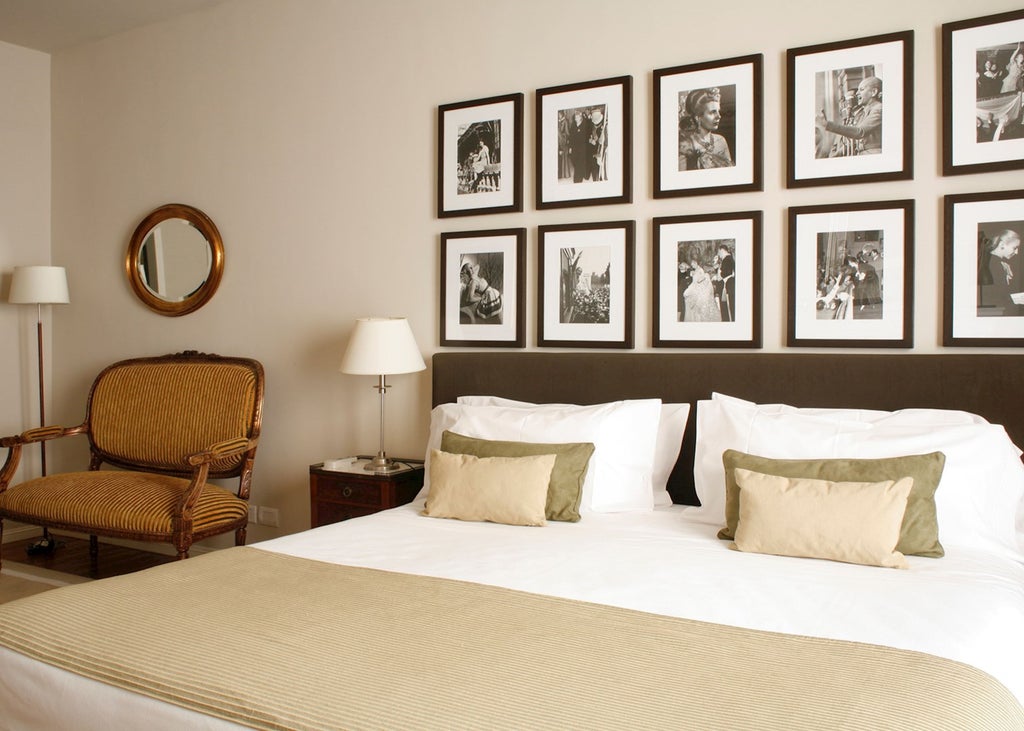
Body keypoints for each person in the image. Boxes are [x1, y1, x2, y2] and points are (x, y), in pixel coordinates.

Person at [816, 76, 883, 155]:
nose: (857, 93)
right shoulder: (865, 112)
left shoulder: (879, 109)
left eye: (861, 90)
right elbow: (852, 141)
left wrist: (827, 124)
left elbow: (859, 132)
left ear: (874, 92)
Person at [678, 88, 734, 170]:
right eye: (712, 112)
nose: (719, 116)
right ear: (698, 117)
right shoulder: (685, 144)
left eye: (718, 111)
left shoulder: (721, 140)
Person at [978, 229, 1023, 316]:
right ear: (1002, 245)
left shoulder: (996, 262)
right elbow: (996, 296)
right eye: (1015, 248)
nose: (1016, 252)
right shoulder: (992, 265)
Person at [568, 109, 592, 183]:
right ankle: (581, 174)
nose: (575, 118)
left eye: (577, 117)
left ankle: (578, 180)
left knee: (579, 165)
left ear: (580, 117)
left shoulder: (585, 124)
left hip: (582, 148)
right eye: (575, 117)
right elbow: (571, 137)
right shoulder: (573, 125)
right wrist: (570, 147)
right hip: (575, 148)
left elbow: (588, 135)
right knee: (574, 161)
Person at [716, 243, 735, 321]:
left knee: (727, 308)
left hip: (727, 287)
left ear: (722, 250)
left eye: (718, 252)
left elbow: (724, 274)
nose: (718, 254)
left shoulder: (727, 259)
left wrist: (719, 272)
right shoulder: (729, 258)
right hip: (728, 285)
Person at [588, 107, 607, 181]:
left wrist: (596, 141)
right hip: (592, 148)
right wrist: (590, 139)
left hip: (600, 148)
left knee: (599, 165)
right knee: (593, 165)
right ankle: (594, 180)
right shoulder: (592, 124)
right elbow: (589, 134)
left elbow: (603, 140)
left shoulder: (603, 125)